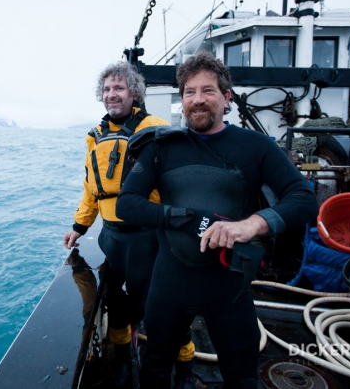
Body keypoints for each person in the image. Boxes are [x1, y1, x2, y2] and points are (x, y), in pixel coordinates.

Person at [116, 51, 319, 388]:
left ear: (226, 98)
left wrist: (250, 224)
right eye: (189, 92)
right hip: (170, 284)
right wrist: (181, 217)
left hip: (229, 287)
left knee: (242, 377)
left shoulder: (255, 147)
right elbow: (128, 204)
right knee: (154, 370)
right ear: (181, 100)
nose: (198, 100)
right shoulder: (162, 147)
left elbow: (303, 198)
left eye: (208, 91)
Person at [63, 62, 195, 388]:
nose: (112, 94)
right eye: (107, 89)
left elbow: (179, 179)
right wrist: (79, 226)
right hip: (113, 240)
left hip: (151, 239)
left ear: (133, 92)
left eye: (118, 88)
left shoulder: (156, 126)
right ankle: (122, 361)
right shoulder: (95, 136)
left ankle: (185, 368)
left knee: (168, 307)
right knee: (118, 308)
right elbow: (90, 189)